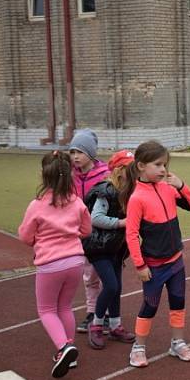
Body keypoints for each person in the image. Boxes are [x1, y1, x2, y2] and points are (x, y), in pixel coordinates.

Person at [119, 140, 190, 367]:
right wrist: (140, 266)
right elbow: (131, 235)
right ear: (141, 166)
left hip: (175, 262)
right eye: (158, 164)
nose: (163, 169)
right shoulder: (137, 198)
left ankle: (177, 343)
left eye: (165, 164)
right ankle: (139, 347)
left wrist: (181, 185)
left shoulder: (168, 188)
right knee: (150, 305)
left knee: (178, 301)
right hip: (153, 266)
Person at [18, 151, 92, 378]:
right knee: (65, 307)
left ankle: (64, 347)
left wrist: (39, 240)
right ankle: (67, 354)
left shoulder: (37, 206)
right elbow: (86, 230)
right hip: (75, 261)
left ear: (44, 176)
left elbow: (25, 235)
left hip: (50, 263)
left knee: (47, 309)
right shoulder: (77, 202)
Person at [83, 150, 137, 349]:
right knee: (111, 286)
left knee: (117, 288)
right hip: (98, 246)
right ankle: (96, 325)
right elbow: (95, 218)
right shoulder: (106, 190)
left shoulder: (129, 191)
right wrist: (121, 223)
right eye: (132, 169)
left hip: (115, 247)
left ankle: (115, 325)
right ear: (121, 171)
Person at [69, 129, 111, 334]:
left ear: (91, 153)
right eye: (72, 152)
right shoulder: (70, 176)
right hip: (82, 235)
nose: (75, 156)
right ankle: (92, 311)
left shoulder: (105, 174)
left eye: (80, 152)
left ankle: (108, 312)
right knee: (89, 275)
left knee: (106, 275)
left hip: (103, 234)